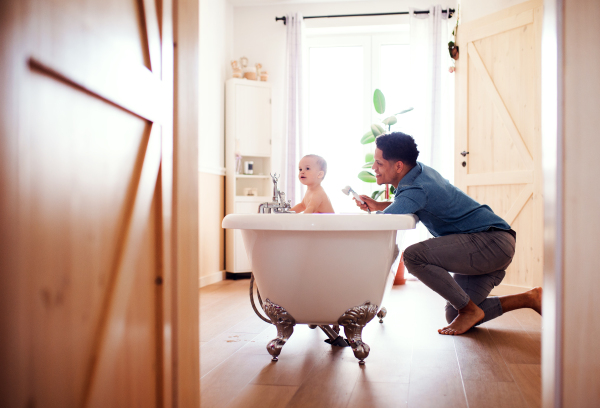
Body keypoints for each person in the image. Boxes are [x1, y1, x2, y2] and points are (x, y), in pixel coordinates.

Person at [355, 132, 542, 335]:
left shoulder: (415, 188)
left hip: (490, 243)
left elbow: (385, 221)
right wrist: (378, 205)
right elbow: (412, 202)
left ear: (398, 166)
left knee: (413, 256)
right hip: (492, 242)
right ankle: (528, 298)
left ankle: (469, 309)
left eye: (379, 163)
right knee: (454, 315)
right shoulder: (420, 172)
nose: (374, 168)